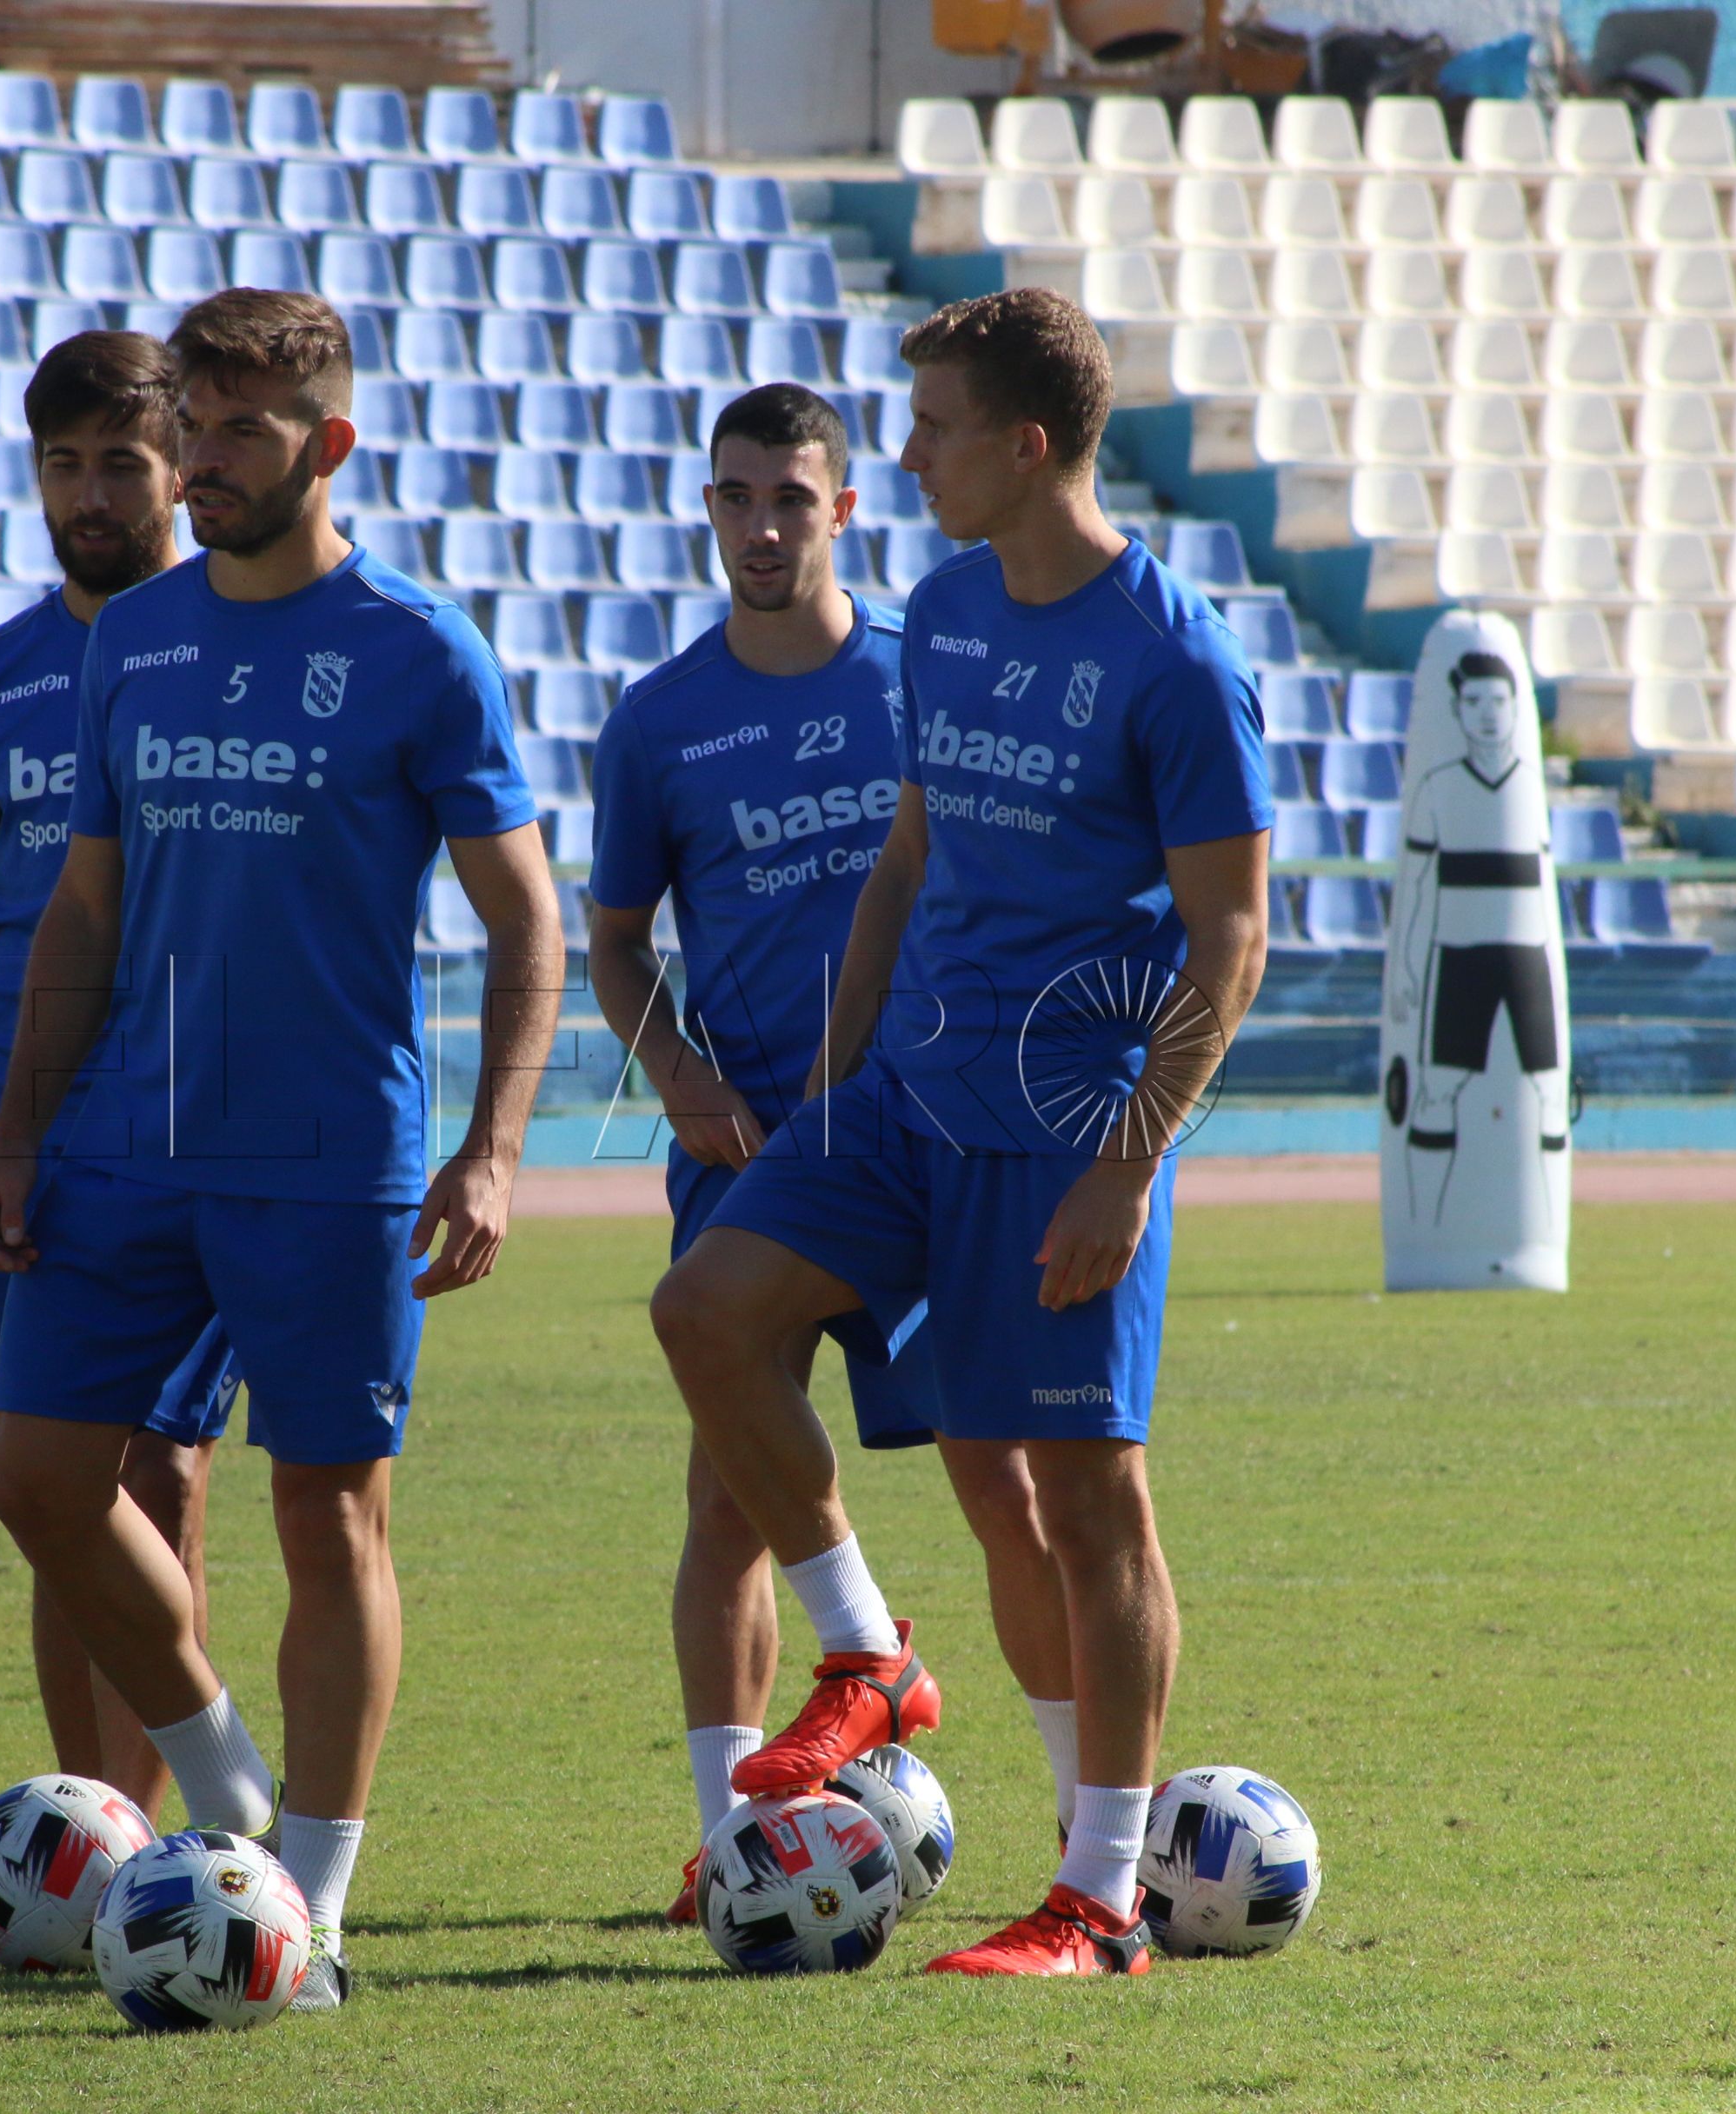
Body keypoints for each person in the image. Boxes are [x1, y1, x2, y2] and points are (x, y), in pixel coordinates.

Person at [645, 288, 1274, 1976]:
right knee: (704, 1310)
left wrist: (1129, 1162)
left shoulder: (1171, 660)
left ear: (1027, 442)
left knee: (1077, 1502)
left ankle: (1101, 1890)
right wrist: (840, 1087)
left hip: (1057, 1134)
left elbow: (1231, 940)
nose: (901, 455)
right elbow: (908, 864)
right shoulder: (948, 607)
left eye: (927, 429)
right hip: (905, 1102)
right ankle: (868, 1652)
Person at [0, 287, 564, 2013]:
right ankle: (237, 1817)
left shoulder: (418, 648)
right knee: (38, 1478)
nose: (205, 465)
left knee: (331, 1515)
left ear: (331, 446)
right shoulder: (132, 639)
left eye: (239, 433)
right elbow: (85, 898)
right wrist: (13, 1132)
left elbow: (522, 917)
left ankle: (318, 1901)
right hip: (125, 1147)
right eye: (195, 430)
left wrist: (495, 1148)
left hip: (330, 1156)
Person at [584, 382, 1072, 1922]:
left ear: (842, 508)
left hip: (928, 1127)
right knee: (723, 1499)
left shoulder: (916, 678)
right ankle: (729, 1841)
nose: (762, 526)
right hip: (752, 1147)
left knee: (1010, 1479)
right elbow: (611, 939)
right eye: (735, 497)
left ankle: (1088, 1833)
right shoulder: (658, 720)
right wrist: (672, 1069)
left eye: (792, 497)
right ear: (706, 509)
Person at [0, 330, 234, 1815]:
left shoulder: (228, 653)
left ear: (175, 470)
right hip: (30, 1153)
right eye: (62, 463)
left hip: (197, 1134)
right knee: (52, 1486)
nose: (89, 492)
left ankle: (179, 1820)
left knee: (164, 1477)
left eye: (120, 464)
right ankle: (100, 1824)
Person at [1389, 647, 1566, 1223]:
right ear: (1457, 709)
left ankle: (1540, 1225)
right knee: (1438, 1091)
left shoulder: (1529, 790)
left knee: (1547, 1096)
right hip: (1459, 960)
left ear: (1516, 707)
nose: (1488, 714)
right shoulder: (1438, 789)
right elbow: (1416, 890)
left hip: (1528, 962)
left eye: (1498, 701)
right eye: (1474, 701)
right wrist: (1411, 967)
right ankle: (1426, 1225)